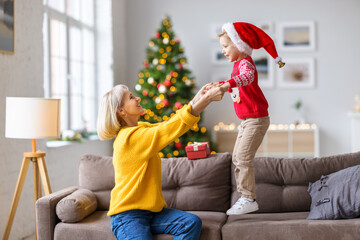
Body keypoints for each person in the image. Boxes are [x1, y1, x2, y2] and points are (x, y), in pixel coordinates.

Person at [97, 83, 225, 240]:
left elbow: (170, 124)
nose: (137, 98)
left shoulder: (141, 129)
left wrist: (199, 97)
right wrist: (206, 100)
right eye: (131, 97)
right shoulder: (130, 138)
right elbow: (170, 129)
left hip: (152, 213)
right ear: (121, 111)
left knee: (190, 223)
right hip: (127, 216)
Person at [216, 22, 285, 215]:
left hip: (256, 119)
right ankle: (245, 197)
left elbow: (246, 77)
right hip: (247, 120)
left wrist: (227, 84)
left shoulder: (245, 63)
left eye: (225, 46)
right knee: (238, 157)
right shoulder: (237, 65)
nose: (223, 51)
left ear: (239, 44)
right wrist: (220, 85)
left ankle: (248, 198)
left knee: (243, 158)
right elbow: (237, 85)